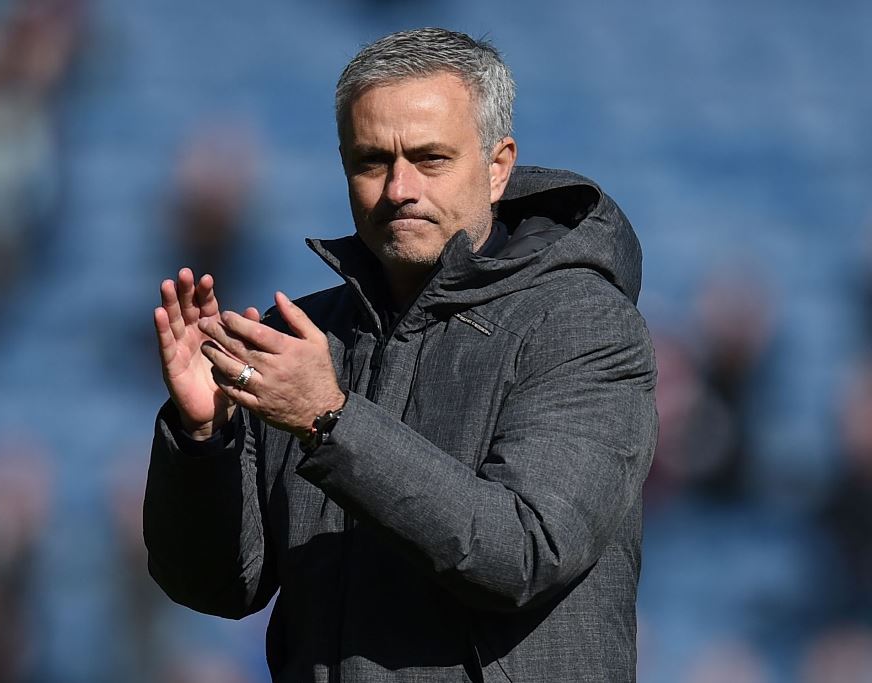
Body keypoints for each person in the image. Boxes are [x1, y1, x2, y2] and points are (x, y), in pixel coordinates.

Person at [144, 27, 658, 682]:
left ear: (498, 165)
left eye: (431, 159)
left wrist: (330, 418)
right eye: (372, 161)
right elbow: (215, 586)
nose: (398, 188)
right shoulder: (305, 339)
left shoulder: (584, 328)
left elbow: (524, 549)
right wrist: (202, 438)